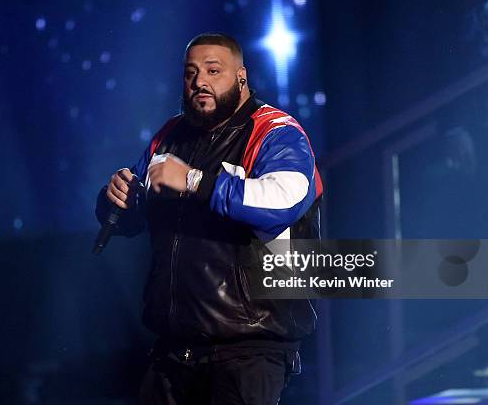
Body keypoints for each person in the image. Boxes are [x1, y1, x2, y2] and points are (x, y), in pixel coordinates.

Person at [96, 33, 323, 405]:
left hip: (248, 350)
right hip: (173, 350)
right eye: (191, 73)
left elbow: (284, 201)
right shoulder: (171, 135)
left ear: (241, 77)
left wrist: (193, 180)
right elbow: (133, 215)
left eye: (213, 71)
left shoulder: (276, 132)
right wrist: (114, 200)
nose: (200, 81)